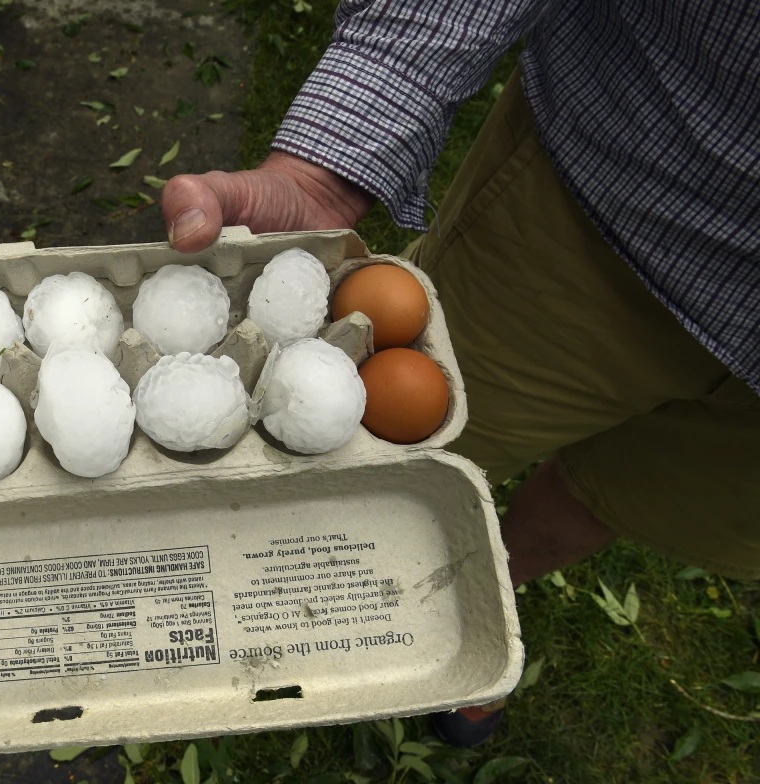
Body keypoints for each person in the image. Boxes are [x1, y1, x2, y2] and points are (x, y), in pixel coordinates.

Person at [162, 0, 760, 746]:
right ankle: (312, 602)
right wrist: (333, 161)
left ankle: (484, 592)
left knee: (623, 496)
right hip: (618, 196)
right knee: (413, 450)